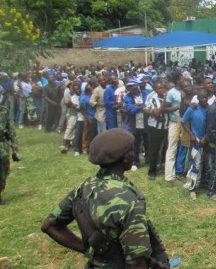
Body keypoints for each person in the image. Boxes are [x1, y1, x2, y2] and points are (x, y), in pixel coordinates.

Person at [41, 129, 166, 269]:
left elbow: (49, 225)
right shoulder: (130, 200)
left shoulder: (83, 188)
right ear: (125, 157)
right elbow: (135, 263)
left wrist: (89, 250)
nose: (134, 153)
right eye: (131, 150)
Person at [0, 103, 18, 204]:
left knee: (4, 169)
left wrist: (14, 143)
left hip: (2, 144)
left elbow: (10, 127)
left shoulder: (4, 110)